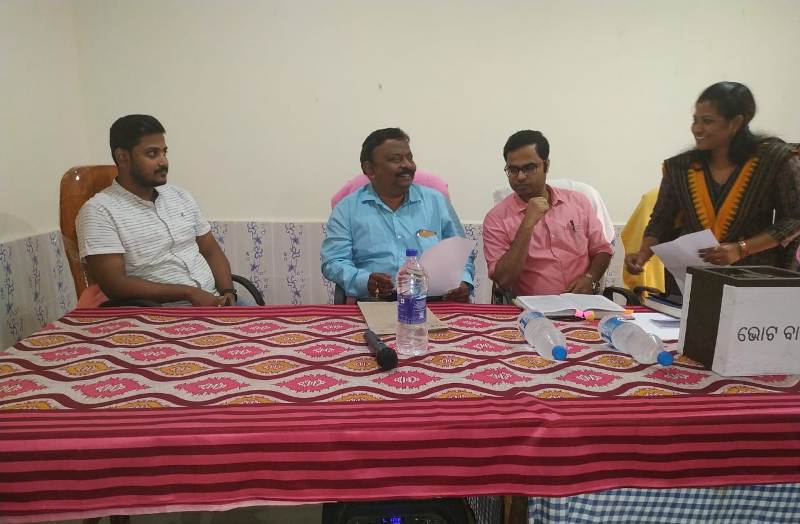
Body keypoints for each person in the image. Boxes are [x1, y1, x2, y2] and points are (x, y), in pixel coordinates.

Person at [625, 82, 800, 282]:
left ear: (736, 123)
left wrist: (741, 249)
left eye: (707, 121)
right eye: (695, 120)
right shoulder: (680, 167)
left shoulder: (776, 160)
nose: (697, 129)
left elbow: (794, 218)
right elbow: (661, 220)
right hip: (690, 278)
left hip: (753, 278)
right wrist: (643, 254)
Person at [76, 115, 236, 306]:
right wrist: (188, 293)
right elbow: (115, 284)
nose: (163, 162)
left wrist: (229, 292)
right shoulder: (99, 211)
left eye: (164, 152)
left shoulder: (180, 196)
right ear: (122, 157)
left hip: (215, 302)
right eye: (152, 154)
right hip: (161, 313)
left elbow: (211, 251)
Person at [321, 127, 474, 302]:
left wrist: (463, 281)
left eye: (410, 157)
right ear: (370, 169)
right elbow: (334, 261)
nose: (408, 165)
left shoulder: (436, 202)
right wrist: (365, 281)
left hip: (434, 301)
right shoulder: (347, 209)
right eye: (396, 159)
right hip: (375, 301)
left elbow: (461, 253)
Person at [482, 130, 613, 296]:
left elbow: (602, 250)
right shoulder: (496, 218)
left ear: (547, 165)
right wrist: (527, 223)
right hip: (532, 306)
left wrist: (590, 278)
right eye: (513, 169)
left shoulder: (578, 202)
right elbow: (504, 280)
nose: (520, 176)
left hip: (582, 303)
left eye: (529, 168)